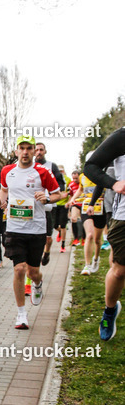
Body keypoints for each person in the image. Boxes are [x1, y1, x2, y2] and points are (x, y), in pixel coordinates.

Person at [0, 136, 61, 330]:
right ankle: (21, 314)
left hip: (36, 228)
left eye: (29, 148)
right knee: (19, 269)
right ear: (16, 151)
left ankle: (38, 282)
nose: (25, 152)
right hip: (14, 227)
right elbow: (4, 191)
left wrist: (47, 198)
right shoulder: (7, 171)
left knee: (33, 272)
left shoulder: (43, 172)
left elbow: (58, 194)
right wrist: (0, 202)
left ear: (34, 151)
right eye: (22, 148)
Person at [83, 129, 125, 339]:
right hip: (123, 215)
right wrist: (114, 183)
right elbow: (90, 167)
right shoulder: (122, 137)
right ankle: (109, 311)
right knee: (119, 271)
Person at [71, 161, 106, 275]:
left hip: (100, 208)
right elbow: (81, 189)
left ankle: (96, 259)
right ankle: (87, 265)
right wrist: (73, 199)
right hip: (86, 207)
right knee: (89, 235)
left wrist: (105, 198)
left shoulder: (103, 175)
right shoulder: (82, 176)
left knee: (97, 239)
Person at [34, 143, 65, 266]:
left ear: (45, 151)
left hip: (49, 205)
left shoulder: (51, 166)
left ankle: (46, 252)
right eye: (36, 150)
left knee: (47, 236)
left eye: (41, 150)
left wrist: (53, 194)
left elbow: (60, 183)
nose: (39, 152)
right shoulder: (29, 166)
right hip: (33, 205)